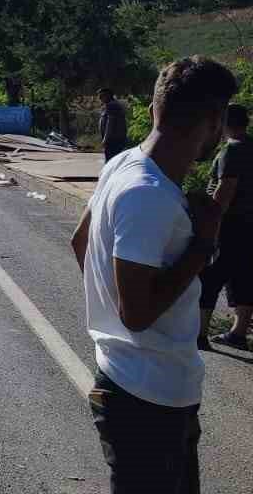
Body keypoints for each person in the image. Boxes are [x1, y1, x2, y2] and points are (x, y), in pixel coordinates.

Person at [70, 56, 236, 494]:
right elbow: (138, 314)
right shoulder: (150, 196)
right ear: (215, 122)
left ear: (152, 110)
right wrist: (203, 241)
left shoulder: (123, 163)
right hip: (149, 397)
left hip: (137, 384)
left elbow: (79, 243)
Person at [199, 103, 252, 351]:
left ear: (223, 123)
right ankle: (238, 333)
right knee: (243, 276)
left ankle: (199, 333)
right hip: (249, 223)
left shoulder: (232, 150)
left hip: (230, 222)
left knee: (211, 275)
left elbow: (226, 189)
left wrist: (212, 224)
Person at [99, 87, 130, 162]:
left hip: (113, 140)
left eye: (102, 96)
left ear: (108, 96)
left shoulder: (112, 105)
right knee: (113, 160)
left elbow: (110, 123)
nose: (100, 98)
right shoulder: (113, 105)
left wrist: (105, 139)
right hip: (115, 139)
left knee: (111, 161)